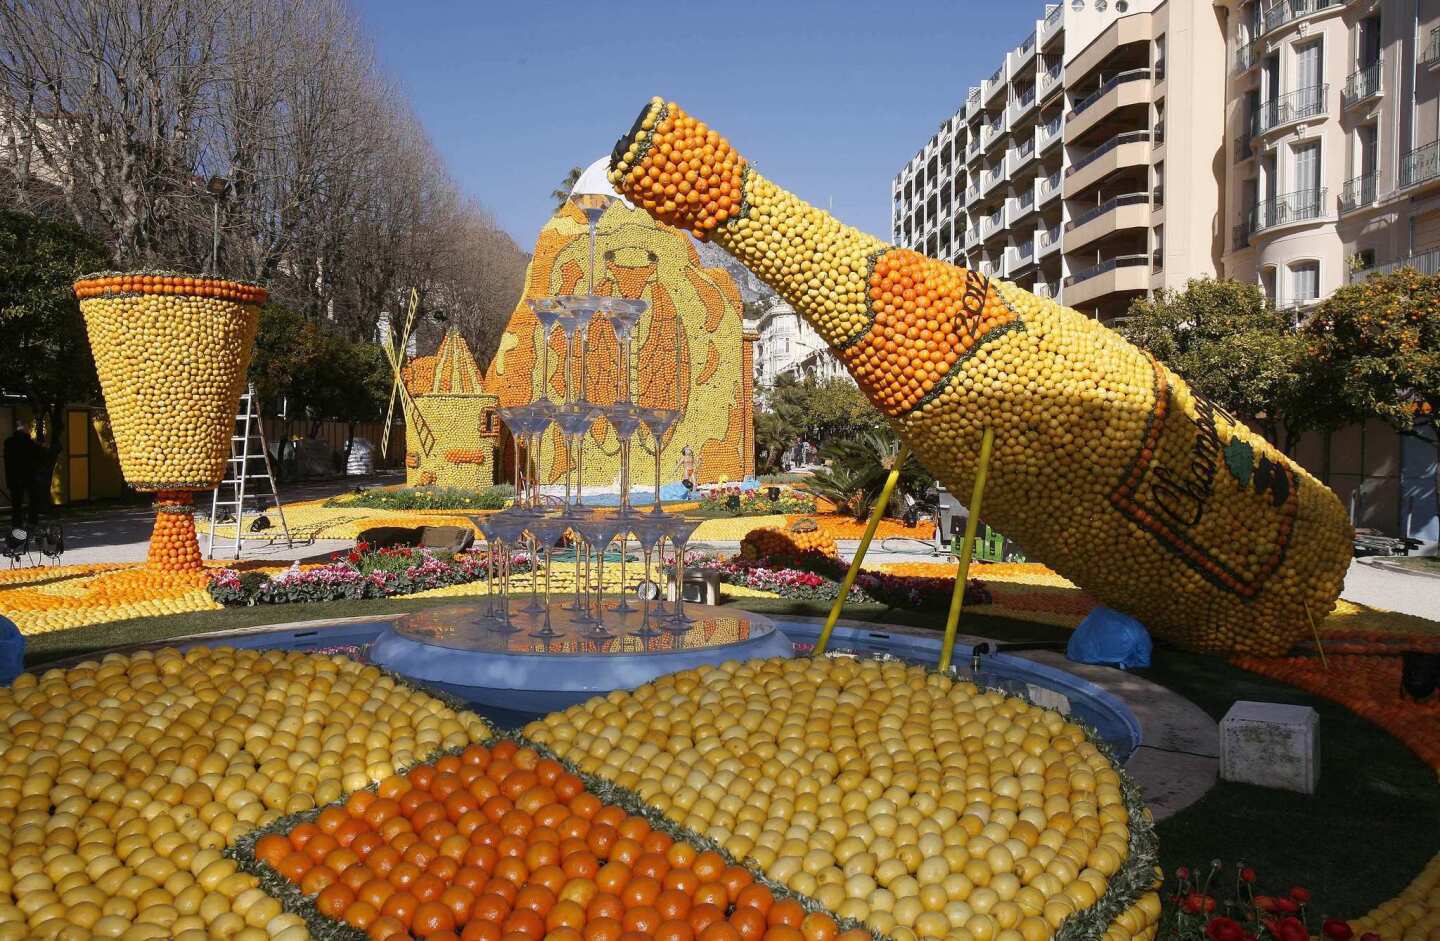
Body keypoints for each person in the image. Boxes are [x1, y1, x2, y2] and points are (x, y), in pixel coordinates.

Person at [4, 422, 39, 530]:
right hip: (28, 476)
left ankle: (17, 523)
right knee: (32, 500)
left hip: (14, 477)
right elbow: (36, 458)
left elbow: (8, 462)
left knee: (16, 502)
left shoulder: (9, 443)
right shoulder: (29, 443)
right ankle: (32, 521)